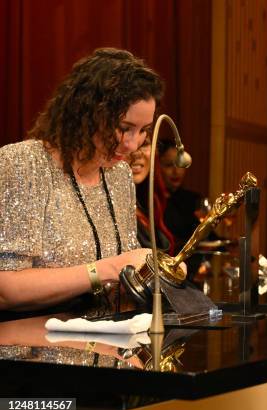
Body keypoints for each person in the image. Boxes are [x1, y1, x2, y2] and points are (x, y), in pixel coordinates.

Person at [0, 48, 162, 313]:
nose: (133, 145)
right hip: (31, 345)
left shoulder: (119, 175)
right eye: (123, 128)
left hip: (107, 342)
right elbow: (6, 289)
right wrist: (108, 269)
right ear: (85, 112)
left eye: (143, 130)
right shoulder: (23, 163)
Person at [128, 137, 175, 254]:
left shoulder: (147, 203)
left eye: (144, 144)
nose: (137, 153)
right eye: (128, 144)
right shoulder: (106, 209)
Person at [158, 139, 202, 252]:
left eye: (179, 165)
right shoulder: (150, 200)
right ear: (157, 166)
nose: (176, 171)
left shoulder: (193, 199)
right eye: (169, 165)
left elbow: (208, 238)